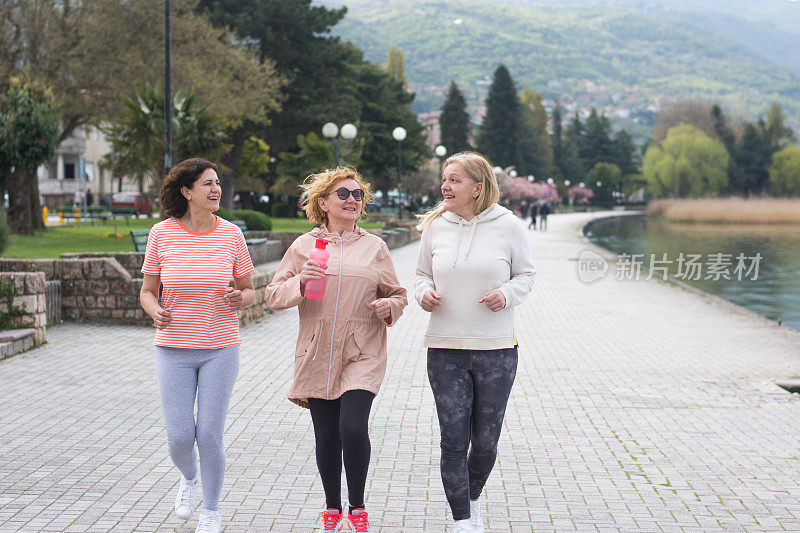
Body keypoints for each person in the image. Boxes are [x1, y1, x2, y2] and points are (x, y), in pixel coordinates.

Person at [266, 167, 407, 533]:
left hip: (363, 350)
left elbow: (397, 295)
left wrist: (388, 307)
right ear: (323, 202)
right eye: (343, 194)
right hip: (318, 351)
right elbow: (273, 296)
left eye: (358, 195)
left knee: (353, 427)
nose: (352, 200)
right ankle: (332, 509)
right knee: (327, 436)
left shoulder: (376, 247)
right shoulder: (303, 246)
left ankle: (357, 507)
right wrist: (301, 280)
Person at [414, 152, 535, 533]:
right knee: (452, 441)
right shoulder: (435, 226)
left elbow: (527, 275)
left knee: (484, 442)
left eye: (454, 180)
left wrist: (507, 294)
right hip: (445, 349)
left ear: (477, 187)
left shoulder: (509, 225)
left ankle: (474, 498)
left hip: (497, 350)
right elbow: (420, 274)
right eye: (444, 179)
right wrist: (424, 293)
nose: (445, 186)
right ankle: (462, 520)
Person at [139, 158, 255, 533]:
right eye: (207, 184)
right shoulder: (162, 234)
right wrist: (155, 310)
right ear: (187, 192)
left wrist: (241, 298)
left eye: (217, 182)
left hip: (220, 346)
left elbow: (250, 289)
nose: (215, 189)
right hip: (172, 348)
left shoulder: (232, 234)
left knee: (208, 433)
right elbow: (146, 291)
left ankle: (211, 510)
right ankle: (188, 478)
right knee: (178, 436)